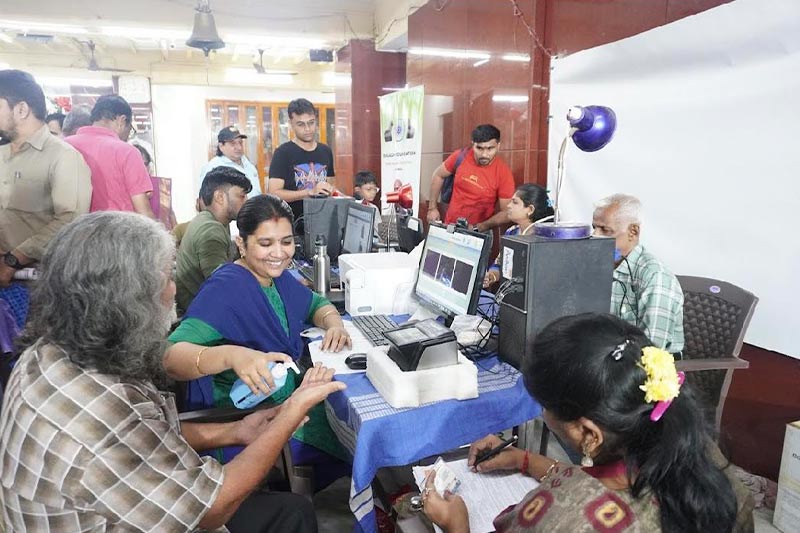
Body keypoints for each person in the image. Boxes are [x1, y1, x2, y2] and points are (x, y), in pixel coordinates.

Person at [0, 211, 340, 532]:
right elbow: (212, 509)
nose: (174, 289)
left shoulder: (47, 353)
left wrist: (235, 431)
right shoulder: (99, 415)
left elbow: (147, 434)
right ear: (129, 299)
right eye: (166, 278)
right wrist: (291, 413)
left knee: (291, 510)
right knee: (293, 509)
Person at [421, 313, 754, 533]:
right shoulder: (701, 457)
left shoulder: (558, 520)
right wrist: (523, 459)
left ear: (590, 435)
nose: (543, 414)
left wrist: (456, 526)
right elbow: (602, 479)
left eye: (545, 406)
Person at [164, 194, 351, 464]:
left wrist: (334, 324)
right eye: (266, 243)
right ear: (241, 243)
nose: (279, 253)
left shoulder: (277, 279)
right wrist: (232, 356)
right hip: (248, 416)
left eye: (286, 242)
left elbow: (316, 305)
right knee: (347, 431)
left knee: (343, 411)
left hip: (284, 398)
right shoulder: (226, 289)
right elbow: (171, 357)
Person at [0, 69, 91, 290]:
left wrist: (14, 259)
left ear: (21, 109)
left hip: (42, 285)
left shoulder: (63, 157)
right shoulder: (2, 154)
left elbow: (70, 220)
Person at [592, 193, 684, 355]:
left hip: (643, 367)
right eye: (594, 228)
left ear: (633, 232)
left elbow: (652, 348)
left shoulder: (655, 277)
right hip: (606, 358)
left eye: (605, 230)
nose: (595, 236)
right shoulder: (598, 266)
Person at [176, 166, 252, 315]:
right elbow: (223, 287)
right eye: (241, 196)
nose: (246, 201)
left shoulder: (210, 221)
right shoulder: (211, 230)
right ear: (220, 197)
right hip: (203, 316)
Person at [66, 94, 155, 218]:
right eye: (130, 130)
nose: (127, 137)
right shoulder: (127, 152)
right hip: (119, 233)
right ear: (121, 121)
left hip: (73, 232)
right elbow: (144, 212)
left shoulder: (65, 146)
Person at [427, 124, 516, 231]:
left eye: (490, 148)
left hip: (479, 233)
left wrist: (479, 227)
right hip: (450, 227)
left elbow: (507, 212)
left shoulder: (503, 173)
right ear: (473, 144)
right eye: (479, 148)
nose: (484, 154)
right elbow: (438, 175)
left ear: (498, 146)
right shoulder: (460, 157)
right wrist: (432, 208)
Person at [268, 98, 336, 224]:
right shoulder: (283, 153)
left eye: (311, 123)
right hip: (291, 224)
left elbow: (330, 185)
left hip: (322, 221)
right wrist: (309, 192)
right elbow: (274, 193)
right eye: (301, 124)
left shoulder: (325, 151)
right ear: (291, 124)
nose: (307, 129)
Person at [483, 184, 553, 288]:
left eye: (515, 202)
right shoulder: (511, 232)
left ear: (530, 210)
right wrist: (491, 276)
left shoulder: (544, 240)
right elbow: (499, 264)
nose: (508, 205)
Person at [199, 125, 262, 199]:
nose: (239, 147)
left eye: (240, 143)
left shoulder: (247, 163)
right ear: (221, 146)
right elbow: (205, 199)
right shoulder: (213, 167)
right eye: (233, 144)